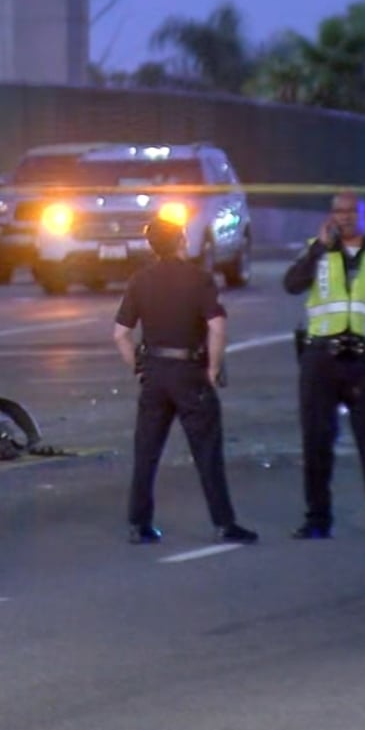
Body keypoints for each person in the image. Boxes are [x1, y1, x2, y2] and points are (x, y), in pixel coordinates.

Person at [113, 203, 259, 546]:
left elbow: (120, 334)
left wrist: (138, 367)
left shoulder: (140, 280)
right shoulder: (198, 279)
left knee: (146, 452)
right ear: (181, 239)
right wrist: (213, 367)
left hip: (155, 373)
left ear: (152, 246)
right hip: (189, 372)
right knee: (207, 452)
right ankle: (223, 523)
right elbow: (217, 326)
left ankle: (139, 523)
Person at [282, 190, 365, 542]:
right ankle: (317, 519)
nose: (345, 217)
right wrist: (318, 250)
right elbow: (292, 284)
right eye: (338, 211)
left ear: (364, 215)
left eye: (352, 211)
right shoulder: (316, 250)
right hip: (321, 360)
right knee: (316, 443)